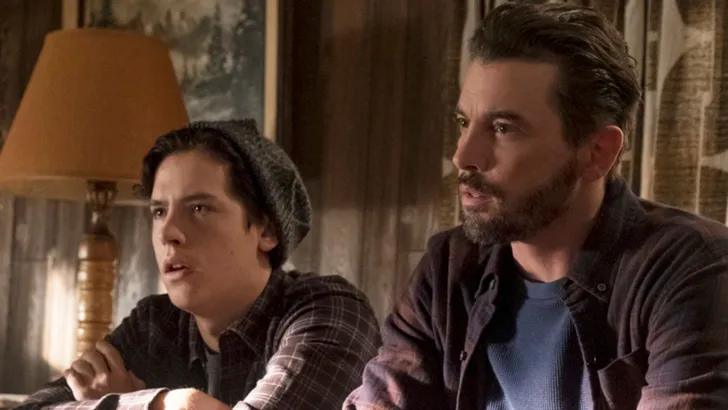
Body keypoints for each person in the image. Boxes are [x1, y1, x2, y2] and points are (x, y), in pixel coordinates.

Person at [344, 2, 728, 410]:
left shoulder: (691, 269)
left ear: (597, 151)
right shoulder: (449, 268)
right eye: (464, 123)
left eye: (503, 128)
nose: (462, 156)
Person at [17, 119, 381, 410]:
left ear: (267, 230)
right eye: (159, 211)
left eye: (198, 208)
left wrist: (123, 405)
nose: (168, 233)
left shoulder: (328, 311)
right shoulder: (155, 323)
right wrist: (163, 404)